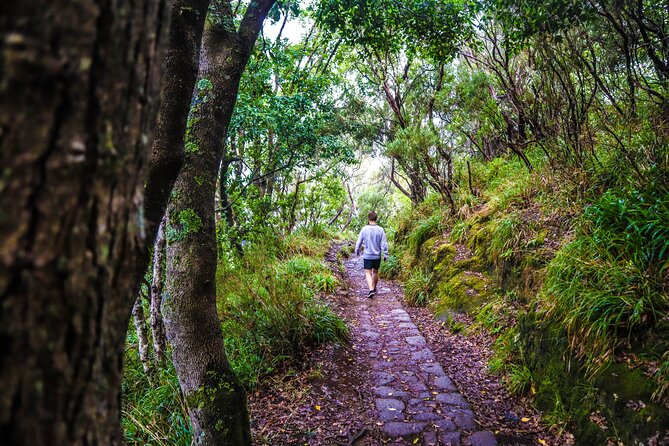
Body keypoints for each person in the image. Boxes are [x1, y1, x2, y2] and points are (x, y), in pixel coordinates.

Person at [355, 211, 389, 298]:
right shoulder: (380, 230)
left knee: (368, 272)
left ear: (368, 218)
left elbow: (359, 241)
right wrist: (385, 254)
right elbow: (384, 243)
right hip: (377, 255)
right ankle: (373, 288)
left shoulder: (364, 229)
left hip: (367, 255)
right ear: (376, 219)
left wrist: (357, 250)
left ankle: (371, 289)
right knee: (375, 271)